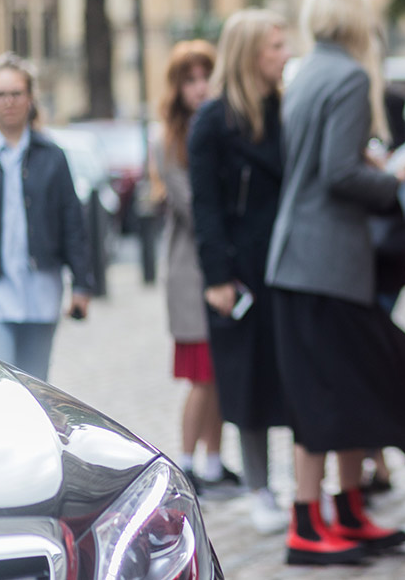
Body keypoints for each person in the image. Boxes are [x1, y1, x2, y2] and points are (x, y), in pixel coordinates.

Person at [265, 0, 405, 566]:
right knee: (329, 394)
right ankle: (311, 526)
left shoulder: (308, 71)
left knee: (341, 388)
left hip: (302, 260)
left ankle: (345, 510)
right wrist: (391, 177)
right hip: (326, 264)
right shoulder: (349, 75)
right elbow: (339, 175)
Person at [188, 9, 291, 534]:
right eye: (276, 45)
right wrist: (217, 279)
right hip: (240, 273)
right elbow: (204, 208)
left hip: (287, 264)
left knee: (292, 374)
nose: (285, 53)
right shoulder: (212, 120)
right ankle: (259, 487)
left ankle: (305, 487)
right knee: (248, 380)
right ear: (252, 52)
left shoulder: (284, 107)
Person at [151, 39, 242, 496]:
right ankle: (185, 463)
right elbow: (193, 203)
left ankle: (212, 461)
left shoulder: (222, 125)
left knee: (218, 374)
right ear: (177, 88)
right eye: (190, 80)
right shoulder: (169, 138)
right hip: (190, 272)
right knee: (203, 375)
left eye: (205, 76)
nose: (200, 87)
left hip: (216, 267)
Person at [0, 52, 92, 381]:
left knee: (35, 388)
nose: (8, 102)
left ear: (30, 98)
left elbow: (72, 220)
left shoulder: (52, 156)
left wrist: (81, 284)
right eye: (0, 94)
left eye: (16, 93)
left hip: (41, 290)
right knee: (2, 390)